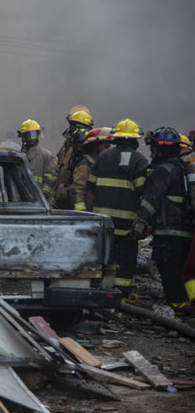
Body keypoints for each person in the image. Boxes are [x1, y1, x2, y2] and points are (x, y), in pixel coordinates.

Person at [131, 127, 192, 313]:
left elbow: (151, 200)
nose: (151, 153)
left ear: (161, 149)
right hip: (186, 232)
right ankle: (188, 304)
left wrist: (139, 224)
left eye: (154, 148)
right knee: (184, 271)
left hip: (168, 232)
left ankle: (178, 307)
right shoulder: (183, 168)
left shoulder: (164, 170)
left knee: (170, 272)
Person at [88, 118, 148, 298]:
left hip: (103, 222)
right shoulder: (139, 160)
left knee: (105, 257)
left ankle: (101, 287)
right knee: (126, 259)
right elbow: (143, 191)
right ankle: (121, 293)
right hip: (127, 223)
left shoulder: (102, 158)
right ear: (135, 140)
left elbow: (91, 186)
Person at [53, 108, 94, 209]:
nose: (70, 130)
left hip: (73, 201)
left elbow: (80, 184)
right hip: (61, 199)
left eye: (72, 126)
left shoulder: (84, 149)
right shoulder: (67, 145)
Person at [70, 127, 112, 212]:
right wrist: (82, 213)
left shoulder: (103, 164)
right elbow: (78, 190)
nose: (109, 150)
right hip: (90, 214)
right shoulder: (85, 166)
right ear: (95, 147)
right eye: (106, 147)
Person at [18, 119, 57, 202]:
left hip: (41, 200)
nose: (32, 138)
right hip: (23, 198)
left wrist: (44, 195)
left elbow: (52, 176)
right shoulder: (20, 155)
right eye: (29, 135)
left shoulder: (46, 154)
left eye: (34, 135)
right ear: (23, 137)